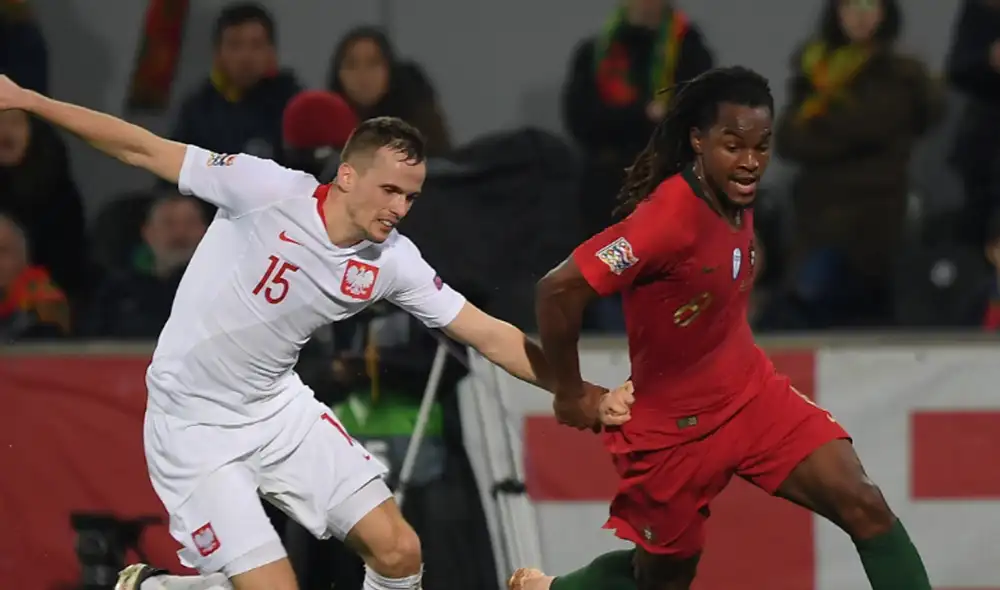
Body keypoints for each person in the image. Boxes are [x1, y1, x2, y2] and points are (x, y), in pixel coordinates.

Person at [0, 74, 632, 590]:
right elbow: (142, 148)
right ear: (347, 176)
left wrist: (580, 391)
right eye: (390, 189)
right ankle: (158, 589)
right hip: (193, 425)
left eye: (411, 197)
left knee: (399, 553)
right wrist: (31, 102)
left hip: (278, 411)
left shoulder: (392, 262)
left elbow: (487, 332)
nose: (399, 208)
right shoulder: (263, 189)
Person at [511, 67, 932, 590]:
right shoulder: (666, 219)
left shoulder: (737, 194)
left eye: (762, 145)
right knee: (659, 580)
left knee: (865, 506)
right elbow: (557, 290)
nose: (751, 162)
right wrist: (571, 392)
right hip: (674, 435)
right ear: (698, 140)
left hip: (751, 396)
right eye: (733, 145)